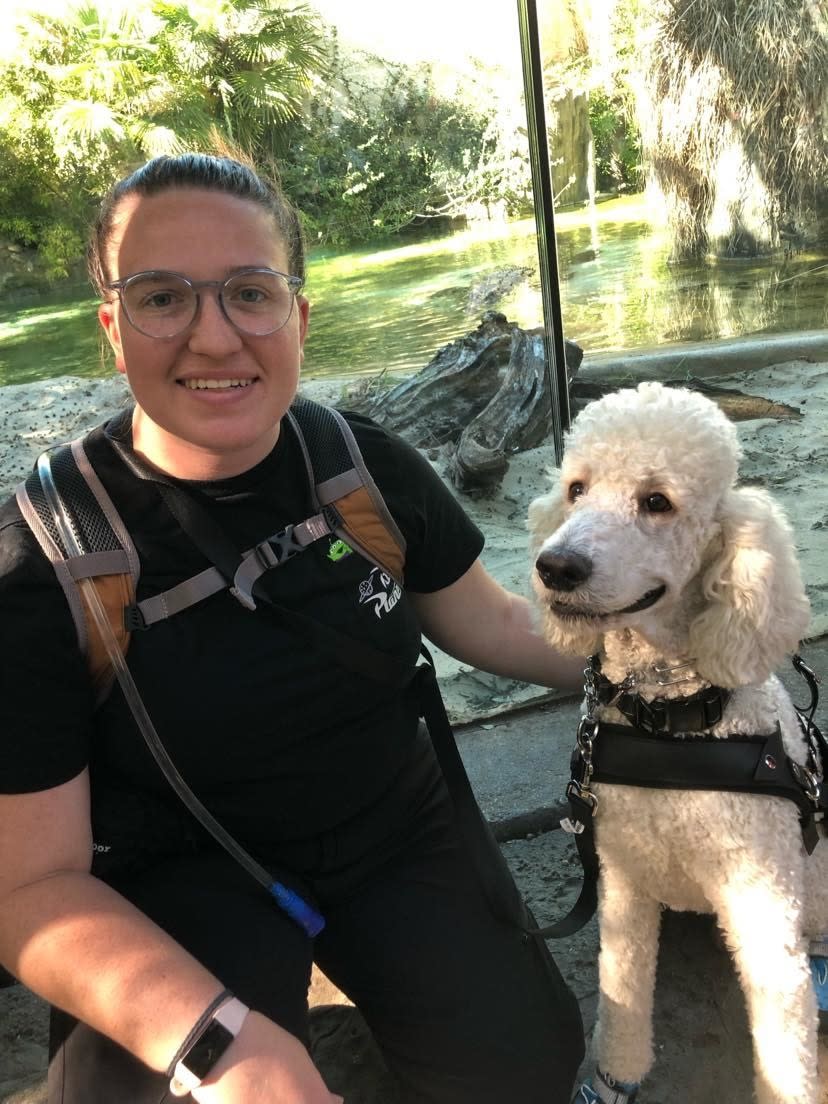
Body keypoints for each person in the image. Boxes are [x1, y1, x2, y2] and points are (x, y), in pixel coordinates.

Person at [0, 153, 585, 1104]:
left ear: (298, 319)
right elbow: (28, 890)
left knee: (525, 1068)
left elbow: (498, 625)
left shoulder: (362, 468)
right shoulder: (45, 563)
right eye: (161, 298)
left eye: (249, 292)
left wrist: (656, 670)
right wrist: (220, 1048)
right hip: (180, 880)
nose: (216, 338)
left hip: (397, 835)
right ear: (113, 329)